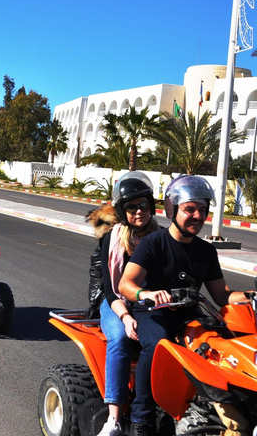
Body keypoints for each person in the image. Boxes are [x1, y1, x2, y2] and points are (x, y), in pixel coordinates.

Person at [118, 175, 257, 436]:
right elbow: (126, 284)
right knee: (157, 344)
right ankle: (142, 418)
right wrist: (148, 294)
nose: (197, 216)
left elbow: (222, 295)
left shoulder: (206, 251)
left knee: (220, 344)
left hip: (189, 316)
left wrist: (255, 294)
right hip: (154, 314)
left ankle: (222, 409)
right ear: (172, 209)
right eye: (190, 209)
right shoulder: (153, 244)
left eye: (202, 210)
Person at [92, 172, 160, 436]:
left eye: (143, 205)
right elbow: (110, 289)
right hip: (116, 304)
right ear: (122, 211)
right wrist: (125, 317)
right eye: (131, 207)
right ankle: (115, 418)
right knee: (120, 339)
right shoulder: (112, 239)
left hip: (150, 304)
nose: (139, 211)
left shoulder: (161, 236)